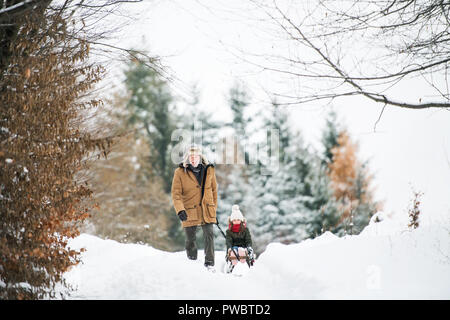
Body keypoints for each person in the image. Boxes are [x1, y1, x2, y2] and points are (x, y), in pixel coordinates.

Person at [171, 144, 218, 271]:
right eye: (191, 156)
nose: (193, 159)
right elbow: (176, 194)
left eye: (195, 156)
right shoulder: (179, 172)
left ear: (200, 156)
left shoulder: (209, 170)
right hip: (189, 210)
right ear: (187, 157)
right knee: (190, 239)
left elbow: (214, 190)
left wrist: (213, 208)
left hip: (206, 209)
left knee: (209, 235)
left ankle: (209, 264)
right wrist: (180, 209)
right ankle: (192, 263)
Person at [225, 205, 255, 269]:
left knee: (242, 250)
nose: (236, 221)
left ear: (241, 220)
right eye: (234, 220)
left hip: (243, 246)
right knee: (235, 249)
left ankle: (243, 259)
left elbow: (248, 240)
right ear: (232, 221)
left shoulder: (245, 230)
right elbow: (228, 241)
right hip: (234, 247)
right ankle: (234, 258)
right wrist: (229, 247)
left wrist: (249, 246)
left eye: (238, 220)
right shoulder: (229, 231)